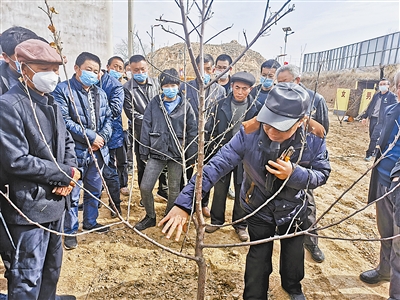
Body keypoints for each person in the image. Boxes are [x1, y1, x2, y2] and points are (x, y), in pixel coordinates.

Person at [160, 82, 331, 300]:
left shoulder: (314, 137)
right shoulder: (249, 132)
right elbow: (216, 165)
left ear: (299, 122)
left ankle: (293, 287)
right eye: (268, 123)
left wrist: (294, 173)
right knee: (258, 257)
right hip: (257, 205)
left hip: (293, 207)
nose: (270, 131)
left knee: (293, 253)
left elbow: (322, 174)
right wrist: (184, 203)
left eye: (280, 127)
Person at [0, 39, 79, 300]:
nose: (52, 75)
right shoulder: (9, 106)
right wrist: (63, 174)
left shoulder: (52, 102)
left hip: (57, 201)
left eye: (56, 69)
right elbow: (16, 159)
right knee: (27, 276)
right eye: (44, 68)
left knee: (51, 270)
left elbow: (67, 141)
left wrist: (72, 173)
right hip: (29, 207)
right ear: (24, 68)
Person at [53, 52, 113, 250]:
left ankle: (91, 221)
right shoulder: (63, 90)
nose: (92, 74)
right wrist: (89, 136)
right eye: (88, 69)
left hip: (97, 150)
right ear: (76, 68)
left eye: (96, 71)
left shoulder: (100, 93)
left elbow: (108, 120)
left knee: (94, 190)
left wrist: (100, 139)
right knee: (73, 192)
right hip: (74, 151)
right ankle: (70, 231)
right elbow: (64, 121)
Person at [276, 63, 329, 263]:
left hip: (305, 160)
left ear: (297, 81)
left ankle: (311, 242)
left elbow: (323, 131)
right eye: (279, 83)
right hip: (284, 155)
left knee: (307, 203)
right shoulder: (279, 98)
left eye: (285, 82)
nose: (281, 86)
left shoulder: (316, 100)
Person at [135, 68, 198, 231]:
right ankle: (150, 216)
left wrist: (191, 156)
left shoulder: (186, 106)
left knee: (174, 189)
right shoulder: (154, 104)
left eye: (173, 85)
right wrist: (144, 150)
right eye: (167, 85)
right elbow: (146, 126)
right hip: (157, 151)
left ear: (179, 86)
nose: (170, 88)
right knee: (145, 186)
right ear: (161, 87)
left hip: (177, 153)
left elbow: (192, 131)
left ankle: (169, 217)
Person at [205, 71, 261, 242]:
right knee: (220, 189)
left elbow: (260, 134)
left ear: (250, 90)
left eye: (244, 89)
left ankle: (240, 224)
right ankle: (216, 220)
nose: (240, 92)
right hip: (224, 153)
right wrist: (211, 154)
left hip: (246, 157)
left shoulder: (256, 108)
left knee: (241, 191)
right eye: (237, 87)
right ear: (231, 86)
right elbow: (211, 130)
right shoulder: (220, 104)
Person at [359, 71, 400, 300]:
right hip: (384, 180)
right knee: (385, 234)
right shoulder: (393, 109)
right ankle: (384, 271)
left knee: (399, 246)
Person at [179, 54, 226, 217]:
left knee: (207, 173)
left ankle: (203, 203)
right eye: (200, 69)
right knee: (186, 172)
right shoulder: (185, 88)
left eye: (207, 69)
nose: (203, 73)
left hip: (210, 140)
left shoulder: (220, 91)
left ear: (213, 70)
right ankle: (183, 204)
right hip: (189, 139)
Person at [123, 55, 168, 203]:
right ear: (130, 70)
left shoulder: (156, 84)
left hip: (161, 132)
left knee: (163, 160)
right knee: (143, 164)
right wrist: (151, 121)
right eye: (136, 70)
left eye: (143, 69)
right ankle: (145, 196)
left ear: (147, 68)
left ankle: (163, 189)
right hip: (140, 133)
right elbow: (131, 113)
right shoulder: (127, 89)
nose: (140, 72)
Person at [99, 56, 126, 217]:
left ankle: (115, 205)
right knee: (92, 172)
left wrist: (94, 111)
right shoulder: (86, 84)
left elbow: (115, 110)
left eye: (120, 67)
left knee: (110, 172)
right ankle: (93, 201)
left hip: (110, 135)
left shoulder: (115, 86)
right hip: (87, 136)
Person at [360, 78, 397, 161]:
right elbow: (370, 107)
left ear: (388, 86)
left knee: (374, 137)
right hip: (373, 118)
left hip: (382, 120)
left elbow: (394, 110)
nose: (382, 86)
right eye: (380, 85)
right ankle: (374, 151)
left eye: (384, 84)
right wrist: (365, 117)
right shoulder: (376, 95)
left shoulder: (392, 97)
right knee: (372, 135)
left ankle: (369, 154)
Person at [0, 26, 40, 95]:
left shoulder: (47, 73)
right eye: (22, 57)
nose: (30, 59)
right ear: (6, 57)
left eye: (33, 54)